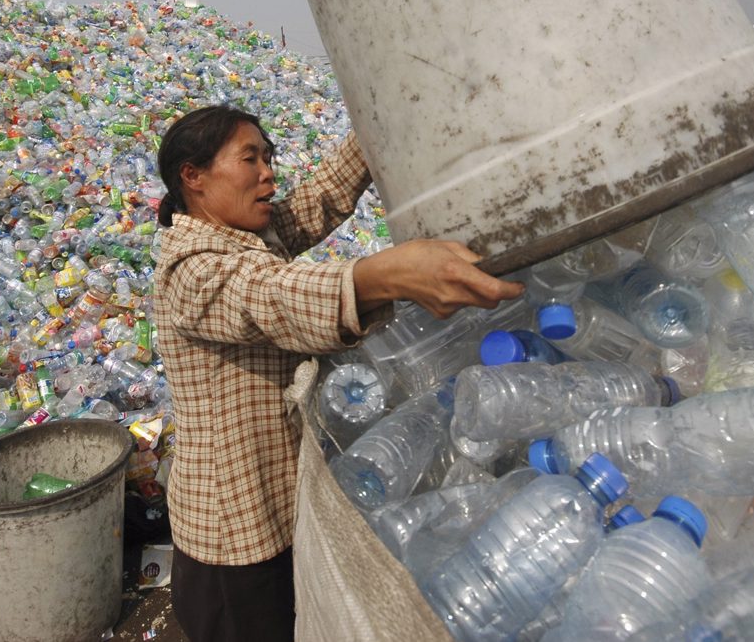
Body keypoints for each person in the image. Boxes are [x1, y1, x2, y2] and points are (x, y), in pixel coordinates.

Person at [151, 105, 523, 642]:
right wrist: (392, 274)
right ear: (193, 177)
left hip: (283, 505)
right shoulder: (190, 270)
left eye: (269, 157)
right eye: (250, 158)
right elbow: (274, 298)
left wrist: (379, 112)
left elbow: (318, 198)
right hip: (234, 536)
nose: (268, 173)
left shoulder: (247, 235)